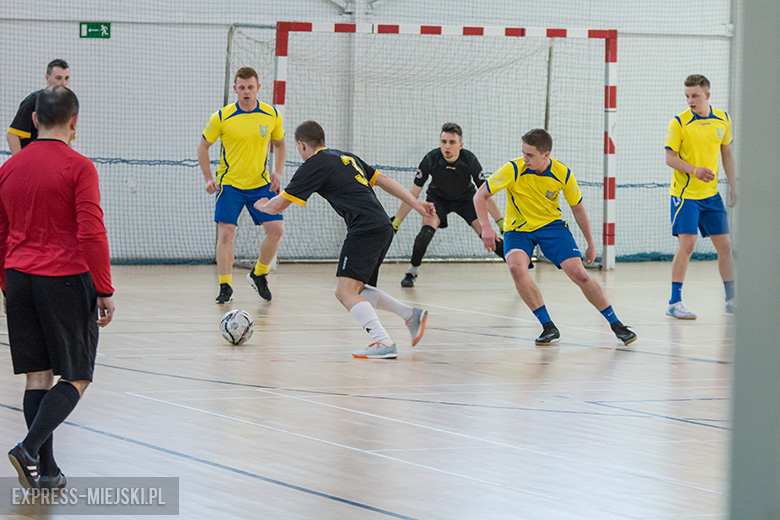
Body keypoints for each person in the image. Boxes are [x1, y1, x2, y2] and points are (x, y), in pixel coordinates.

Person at [0, 86, 115, 491]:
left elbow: (1, 231)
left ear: (33, 121)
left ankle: (46, 472)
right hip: (64, 280)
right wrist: (104, 286)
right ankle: (30, 449)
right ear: (74, 122)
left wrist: (6, 284)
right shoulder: (79, 167)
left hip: (18, 280)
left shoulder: (9, 168)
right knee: (77, 376)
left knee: (37, 377)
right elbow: (91, 231)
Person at [255, 120, 435, 359]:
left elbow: (281, 203)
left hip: (364, 228)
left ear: (301, 145)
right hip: (382, 225)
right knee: (358, 289)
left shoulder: (314, 164)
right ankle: (410, 316)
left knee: (344, 292)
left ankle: (383, 343)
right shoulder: (346, 157)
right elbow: (385, 182)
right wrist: (417, 204)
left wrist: (262, 207)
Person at [474, 128, 636, 346]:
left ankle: (617, 325)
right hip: (518, 229)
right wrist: (486, 227)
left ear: (546, 154)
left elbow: (578, 209)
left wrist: (590, 243)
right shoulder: (513, 168)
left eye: (529, 155)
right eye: (523, 153)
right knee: (516, 268)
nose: (525, 158)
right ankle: (548, 326)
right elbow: (480, 195)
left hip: (552, 227)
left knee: (579, 273)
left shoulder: (563, 173)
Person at [198, 66, 286, 304]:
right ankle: (225, 286)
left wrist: (277, 171)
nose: (246, 92)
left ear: (258, 88)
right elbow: (203, 147)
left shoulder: (271, 114)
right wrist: (208, 178)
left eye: (250, 87)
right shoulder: (222, 117)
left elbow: (280, 143)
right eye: (242, 87)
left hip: (261, 185)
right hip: (230, 185)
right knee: (226, 233)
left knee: (276, 230)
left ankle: (259, 273)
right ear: (235, 89)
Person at [393, 123, 506, 288]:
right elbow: (412, 195)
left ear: (460, 145)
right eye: (443, 141)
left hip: (466, 200)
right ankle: (412, 272)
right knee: (424, 235)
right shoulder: (431, 159)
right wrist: (396, 223)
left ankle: (518, 268)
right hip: (437, 200)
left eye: (452, 142)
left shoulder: (470, 160)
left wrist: (501, 223)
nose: (447, 146)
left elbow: (485, 195)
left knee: (489, 237)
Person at [664, 74, 736, 319]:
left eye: (694, 95)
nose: (690, 100)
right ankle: (674, 302)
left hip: (711, 195)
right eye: (686, 96)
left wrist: (733, 185)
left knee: (725, 246)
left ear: (707, 95)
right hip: (685, 196)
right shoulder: (679, 123)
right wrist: (695, 170)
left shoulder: (723, 119)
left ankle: (732, 298)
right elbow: (670, 158)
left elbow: (726, 152)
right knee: (688, 244)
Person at [6, 59, 70, 155]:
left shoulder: (66, 104)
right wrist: (20, 163)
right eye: (58, 78)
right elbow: (12, 136)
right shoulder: (33, 101)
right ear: (47, 77)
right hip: (32, 160)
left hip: (51, 162)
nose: (63, 83)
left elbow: (67, 141)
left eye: (66, 78)